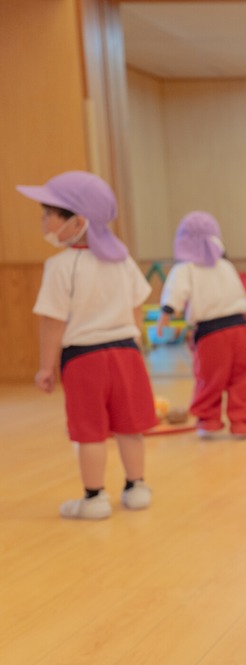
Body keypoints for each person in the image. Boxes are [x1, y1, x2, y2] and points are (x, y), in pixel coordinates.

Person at [20, 171, 157, 520]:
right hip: (126, 353)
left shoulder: (60, 266)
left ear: (77, 222)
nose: (43, 221)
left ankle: (94, 498)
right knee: (129, 426)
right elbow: (137, 306)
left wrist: (47, 367)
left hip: (84, 360)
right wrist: (137, 347)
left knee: (89, 433)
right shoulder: (122, 260)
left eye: (48, 214)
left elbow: (53, 322)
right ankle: (136, 487)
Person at [157, 211, 246, 439]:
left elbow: (175, 293)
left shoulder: (185, 269)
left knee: (210, 378)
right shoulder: (226, 266)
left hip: (212, 334)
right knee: (245, 377)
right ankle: (243, 422)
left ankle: (209, 420)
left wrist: (164, 316)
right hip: (242, 329)